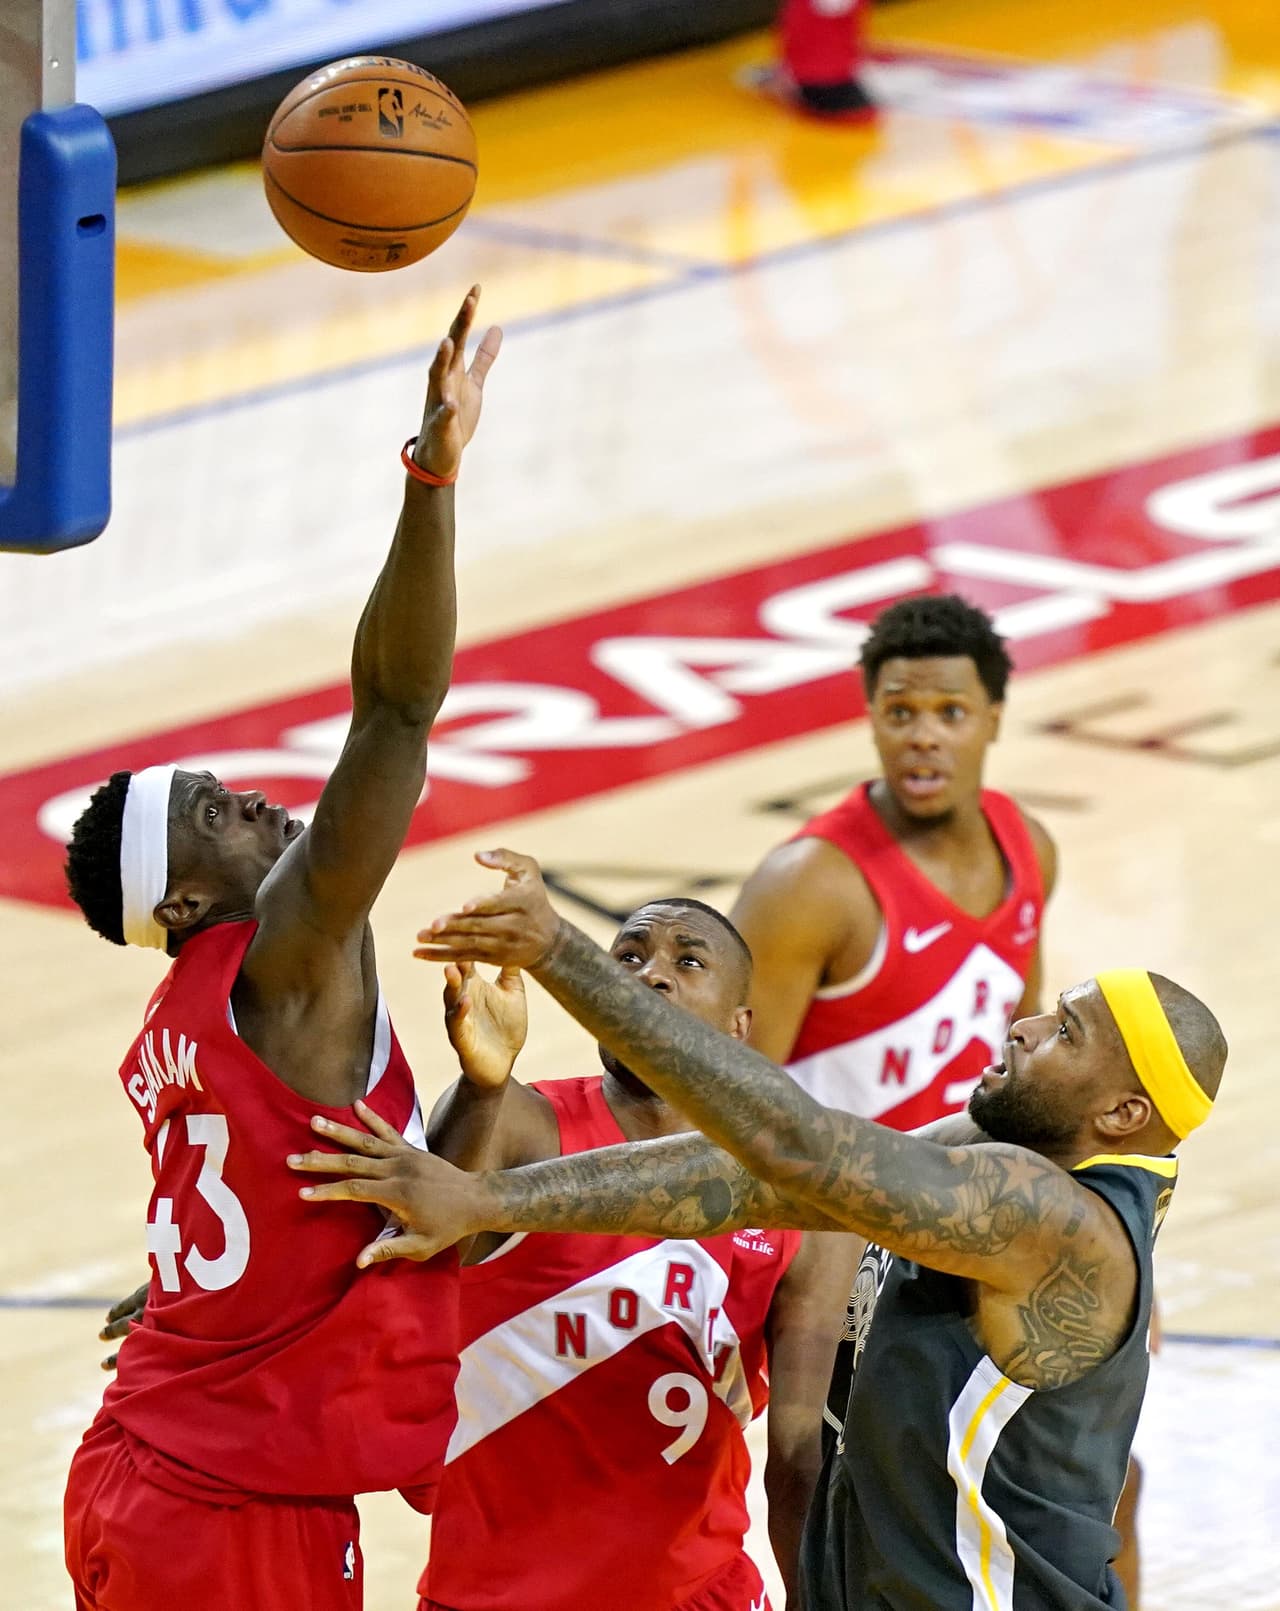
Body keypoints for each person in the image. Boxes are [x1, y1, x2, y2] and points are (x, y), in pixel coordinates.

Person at [290, 850, 1226, 1610]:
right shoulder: (1013, 1157)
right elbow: (755, 1177)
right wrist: (491, 1201)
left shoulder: (1057, 1219)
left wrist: (562, 954)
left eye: (1063, 1033)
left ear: (1119, 1115)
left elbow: (796, 1148)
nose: (1022, 1026)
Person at [61, 288, 501, 1611]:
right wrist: (431, 476)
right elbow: (398, 707)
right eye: (214, 811)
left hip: (155, 1467)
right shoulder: (290, 954)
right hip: (226, 1505)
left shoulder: (177, 1026)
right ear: (188, 903)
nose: (252, 798)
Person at [414, 901, 847, 1611]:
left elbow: (799, 1453)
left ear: (739, 1027)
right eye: (628, 957)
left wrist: (813, 1600)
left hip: (704, 1594)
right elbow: (435, 1221)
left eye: (688, 959)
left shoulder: (800, 1198)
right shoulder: (523, 1124)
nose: (652, 975)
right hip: (493, 1595)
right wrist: (481, 1085)